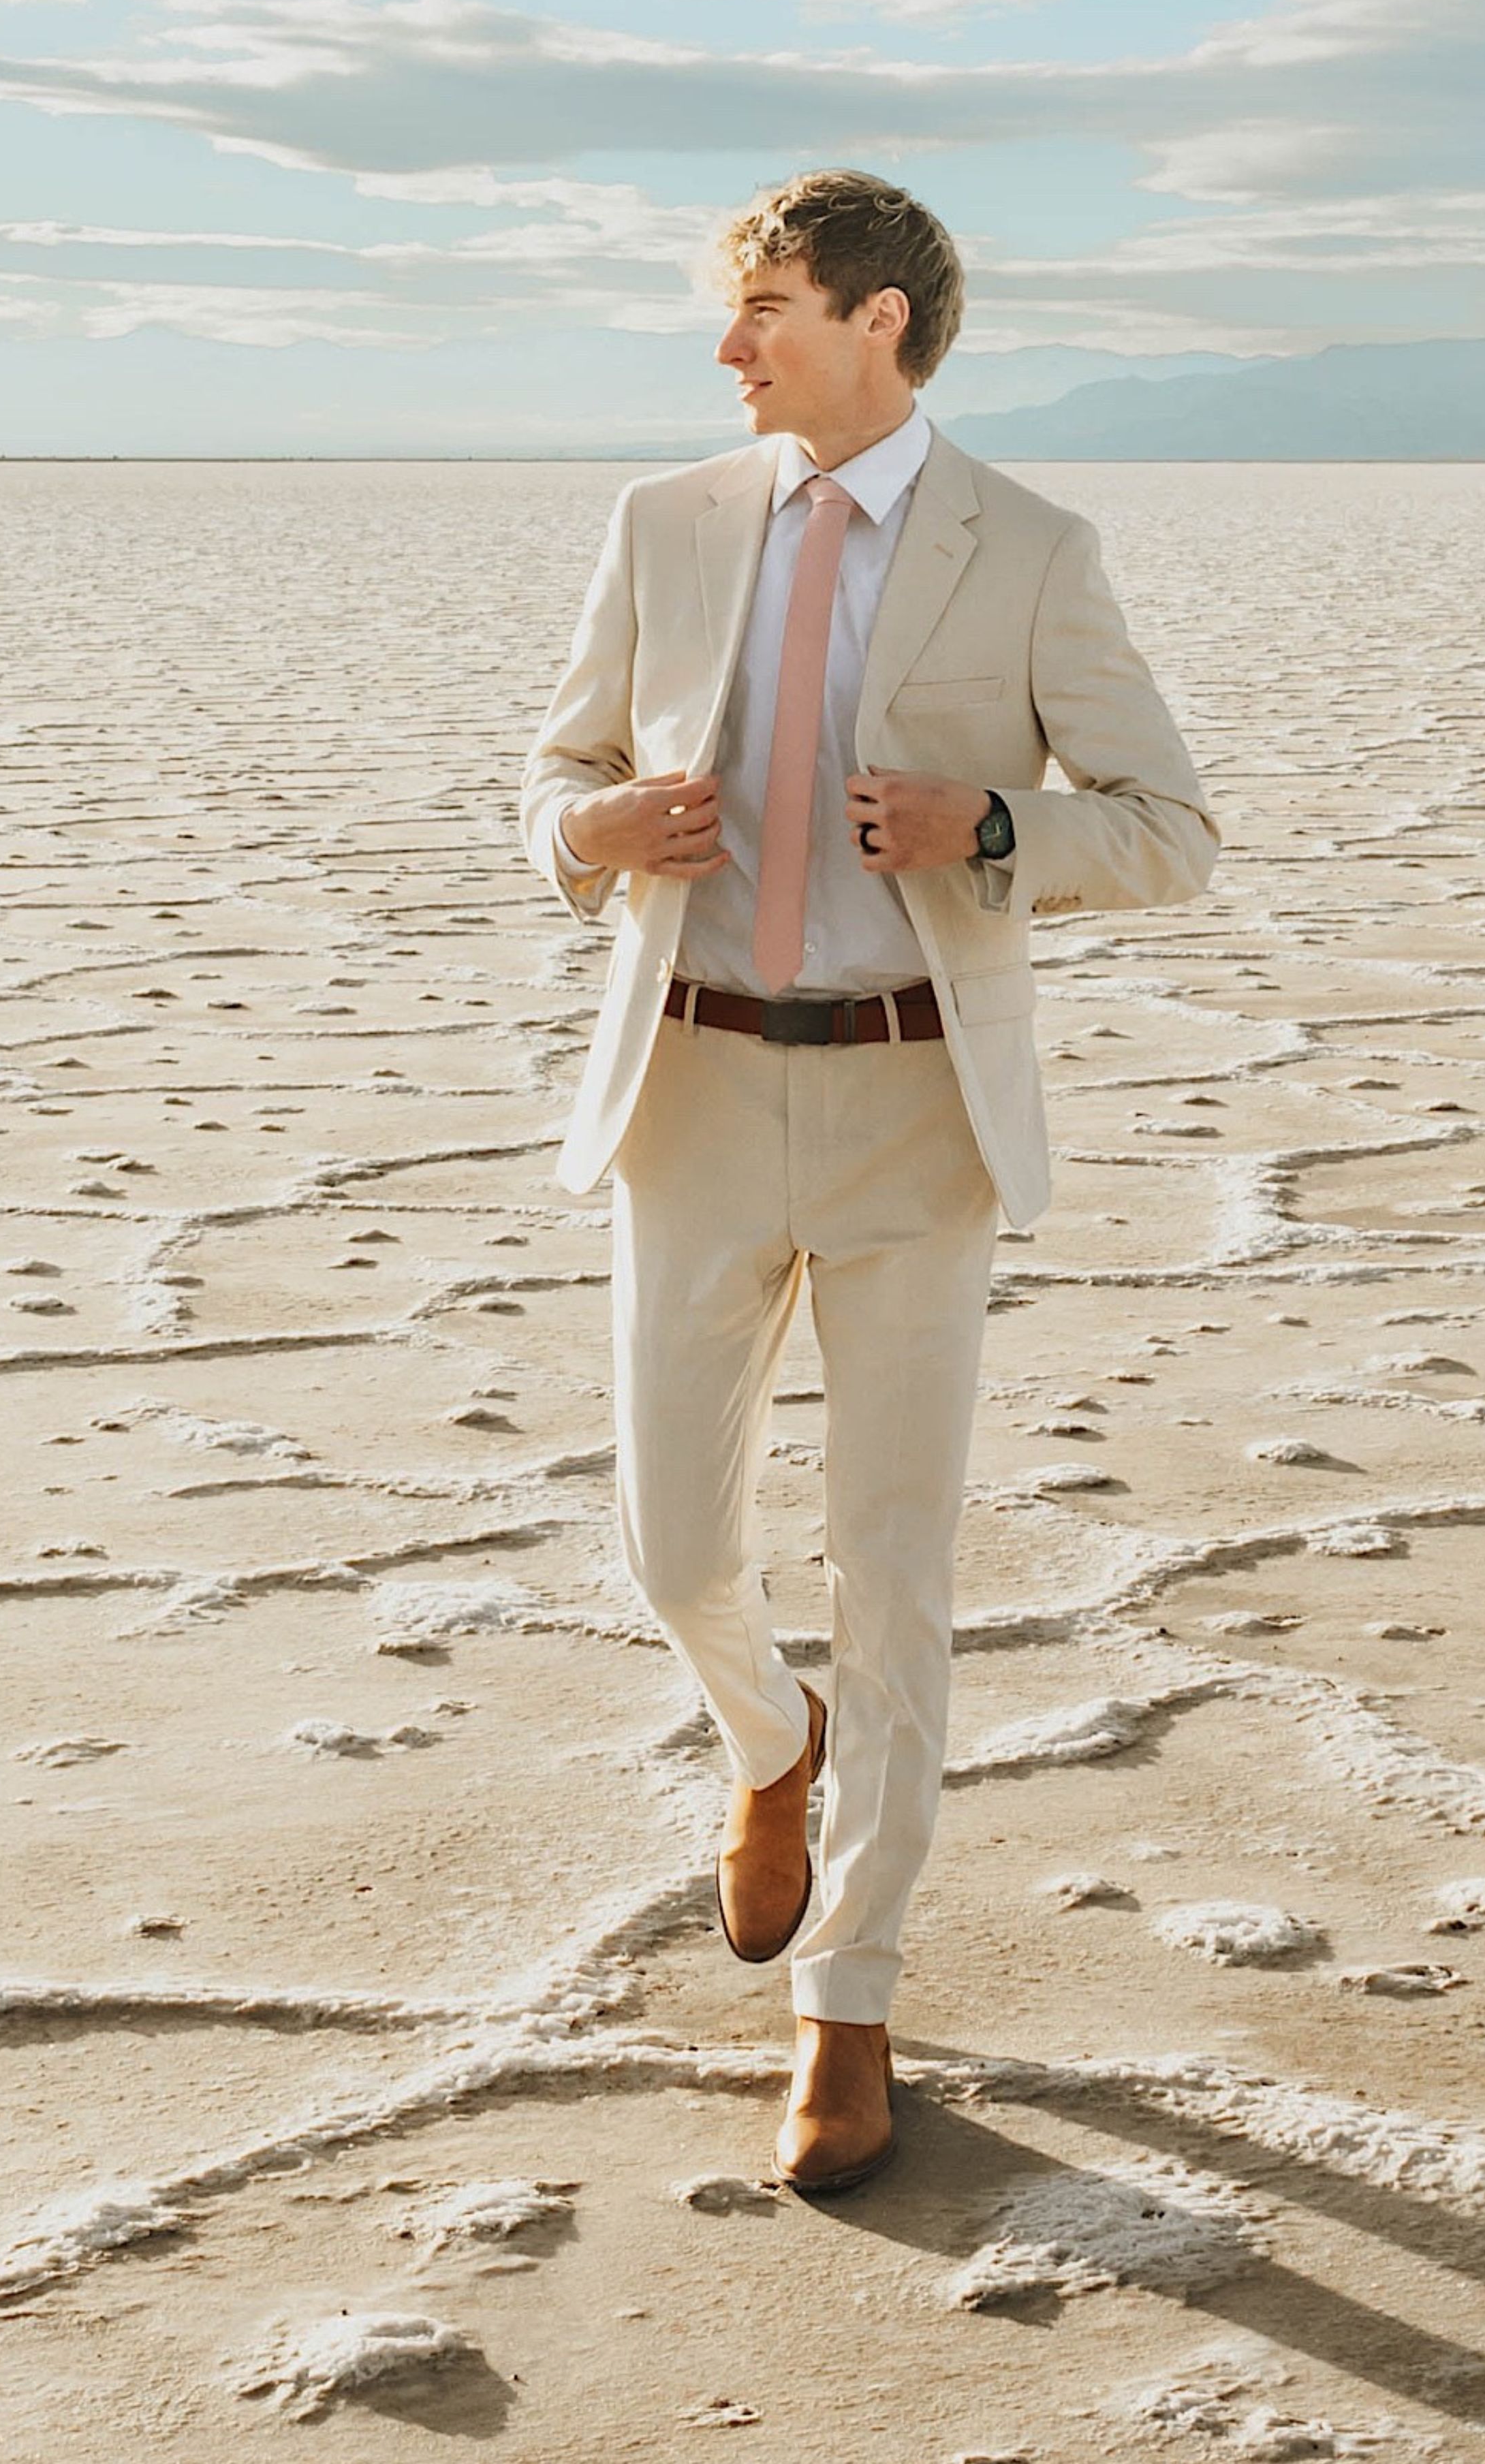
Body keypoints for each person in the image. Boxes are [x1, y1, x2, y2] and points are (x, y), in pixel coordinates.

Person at [518, 174, 1216, 2195]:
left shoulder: (1032, 551)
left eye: (763, 309)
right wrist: (593, 838)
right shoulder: (661, 525)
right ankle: (763, 1747)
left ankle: (847, 1999)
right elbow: (543, 781)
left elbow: (1168, 832)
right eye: (729, 313)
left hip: (920, 1112)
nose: (726, 348)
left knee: (892, 1573)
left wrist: (988, 821)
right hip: (691, 1090)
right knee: (669, 1547)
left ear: (880, 323)